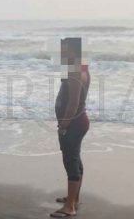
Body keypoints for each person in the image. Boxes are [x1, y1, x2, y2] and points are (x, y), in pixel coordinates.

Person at [51, 38, 90, 218]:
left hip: (73, 123)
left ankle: (70, 207)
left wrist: (64, 124)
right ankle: (73, 198)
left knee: (70, 162)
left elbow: (73, 101)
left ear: (74, 51)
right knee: (75, 159)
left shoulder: (75, 70)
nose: (61, 54)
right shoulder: (81, 66)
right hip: (79, 121)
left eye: (64, 50)